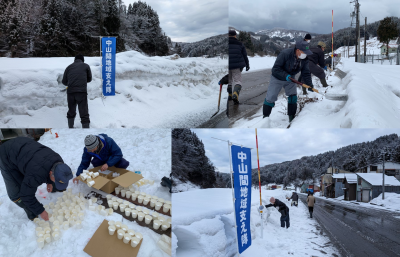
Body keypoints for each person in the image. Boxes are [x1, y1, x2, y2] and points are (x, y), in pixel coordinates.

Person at [0, 137, 73, 221]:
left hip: (23, 147)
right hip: (6, 155)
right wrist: (40, 211)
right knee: (17, 192)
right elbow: (26, 195)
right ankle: (32, 213)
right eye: (56, 181)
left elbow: (48, 168)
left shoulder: (58, 161)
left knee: (28, 178)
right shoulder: (36, 173)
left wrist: (49, 182)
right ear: (51, 173)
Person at [263, 40, 314, 123]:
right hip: (278, 77)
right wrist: (285, 75)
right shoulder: (285, 54)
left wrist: (309, 84)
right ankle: (265, 118)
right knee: (271, 97)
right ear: (298, 50)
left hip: (291, 78)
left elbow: (306, 72)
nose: (306, 54)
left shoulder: (304, 59)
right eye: (304, 52)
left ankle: (291, 118)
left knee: (293, 97)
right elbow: (275, 69)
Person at [62, 54, 92, 129]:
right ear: (83, 60)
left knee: (71, 110)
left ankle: (70, 128)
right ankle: (86, 129)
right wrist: (82, 81)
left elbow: (64, 81)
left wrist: (70, 83)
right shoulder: (86, 66)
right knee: (84, 112)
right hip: (81, 92)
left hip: (71, 92)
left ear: (75, 60)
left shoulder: (68, 67)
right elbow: (89, 79)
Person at [228, 29, 249, 104]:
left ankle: (230, 95)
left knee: (229, 81)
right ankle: (235, 94)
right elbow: (244, 55)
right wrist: (247, 64)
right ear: (235, 36)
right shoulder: (240, 44)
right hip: (236, 66)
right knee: (238, 81)